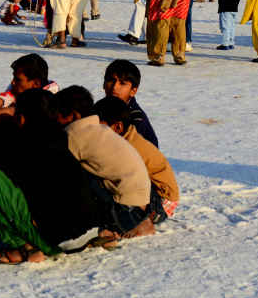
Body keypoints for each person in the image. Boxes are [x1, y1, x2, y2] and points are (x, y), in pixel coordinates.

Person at [0, 88, 98, 263]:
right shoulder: (59, 136)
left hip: (58, 241)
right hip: (87, 230)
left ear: (21, 118)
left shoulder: (27, 143)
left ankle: (21, 245)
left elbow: (1, 163)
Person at [61, 86, 155, 248]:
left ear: (74, 115)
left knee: (73, 172)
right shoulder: (100, 128)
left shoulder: (74, 135)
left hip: (126, 208)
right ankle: (136, 221)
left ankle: (109, 229)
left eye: (57, 114)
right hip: (142, 201)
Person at [95, 96, 179, 222]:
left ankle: (140, 224)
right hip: (154, 193)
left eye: (99, 128)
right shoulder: (124, 137)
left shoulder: (129, 148)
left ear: (118, 127)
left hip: (160, 201)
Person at [0, 53, 59, 121]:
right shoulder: (17, 87)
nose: (12, 82)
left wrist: (4, 112)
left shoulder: (51, 92)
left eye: (18, 79)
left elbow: (31, 110)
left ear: (36, 84)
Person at [103, 59, 158, 146]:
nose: (114, 87)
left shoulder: (136, 120)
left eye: (122, 83)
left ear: (133, 91)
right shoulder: (100, 108)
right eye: (111, 80)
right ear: (103, 84)